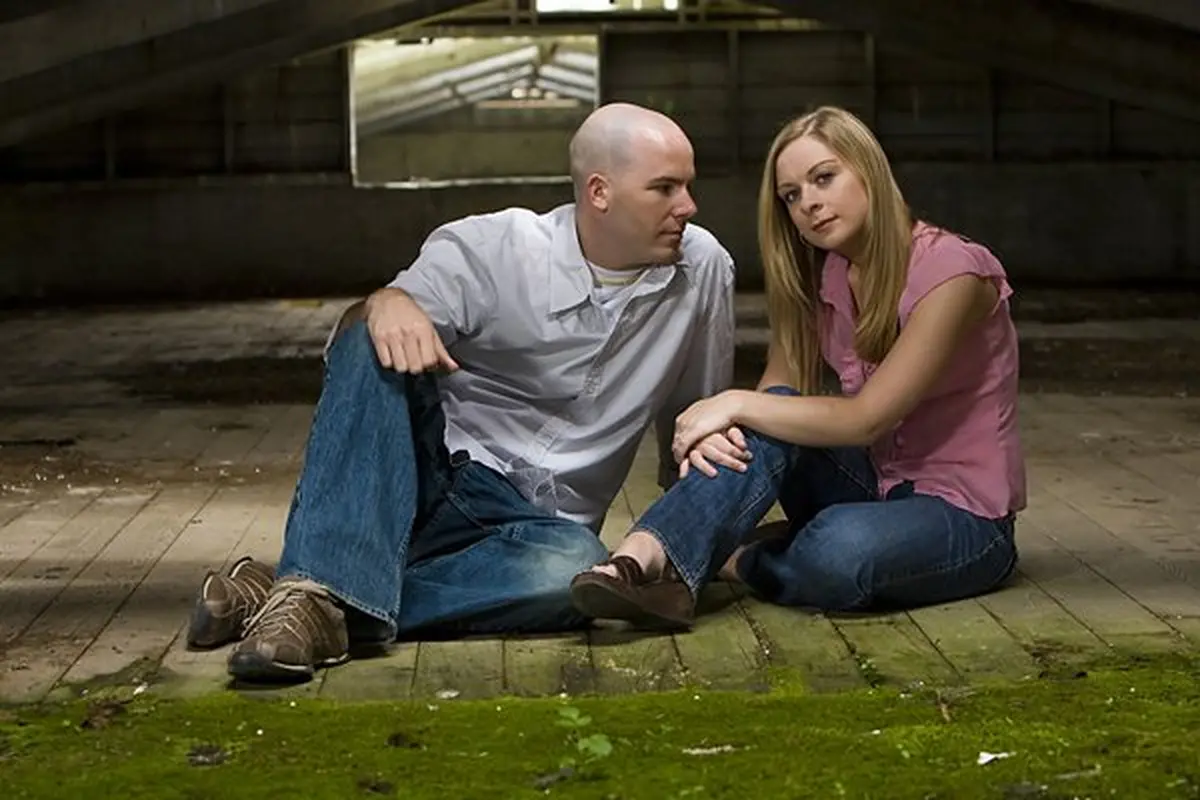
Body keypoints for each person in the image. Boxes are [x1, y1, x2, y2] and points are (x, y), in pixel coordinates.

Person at [185, 102, 737, 682]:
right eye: (665, 188)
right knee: (370, 336)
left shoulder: (703, 270)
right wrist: (386, 303)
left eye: (688, 186)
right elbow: (357, 348)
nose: (689, 206)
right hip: (431, 480)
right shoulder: (494, 249)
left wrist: (690, 539)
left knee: (574, 575)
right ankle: (317, 591)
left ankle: (304, 596)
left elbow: (696, 425)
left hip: (539, 531)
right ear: (600, 192)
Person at [568, 105, 1025, 630]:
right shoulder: (823, 275)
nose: (809, 203)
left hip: (963, 516)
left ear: (869, 171)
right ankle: (639, 559)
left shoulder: (954, 273)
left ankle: (738, 559)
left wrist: (731, 403)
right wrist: (729, 429)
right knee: (766, 419)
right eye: (791, 195)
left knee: (839, 549)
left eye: (824, 178)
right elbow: (775, 400)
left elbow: (869, 419)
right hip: (869, 483)